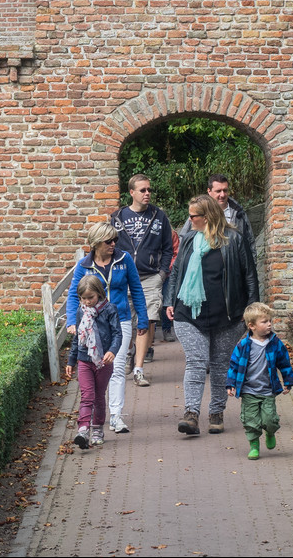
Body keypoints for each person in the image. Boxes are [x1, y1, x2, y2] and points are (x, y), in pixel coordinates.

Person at [164, 194, 259, 436]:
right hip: (189, 312)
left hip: (227, 315)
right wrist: (170, 300)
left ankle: (216, 412)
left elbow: (250, 274)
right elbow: (176, 273)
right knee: (196, 361)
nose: (189, 219)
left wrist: (251, 310)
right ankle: (191, 415)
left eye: (193, 216)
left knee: (219, 365)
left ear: (206, 218)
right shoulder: (188, 240)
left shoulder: (234, 239)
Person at [66, 221, 149, 434]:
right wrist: (71, 322)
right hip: (91, 322)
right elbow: (74, 296)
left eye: (115, 240)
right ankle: (95, 415)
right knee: (95, 368)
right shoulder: (83, 266)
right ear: (95, 243)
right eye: (108, 241)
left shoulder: (124, 259)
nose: (113, 244)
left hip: (119, 319)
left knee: (117, 366)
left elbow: (137, 289)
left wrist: (143, 319)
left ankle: (116, 416)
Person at [109, 174, 174, 387]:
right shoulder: (117, 217)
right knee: (122, 320)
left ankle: (138, 369)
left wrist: (162, 273)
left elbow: (168, 248)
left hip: (150, 277)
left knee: (147, 320)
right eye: (143, 190)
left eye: (149, 190)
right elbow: (108, 247)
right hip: (123, 277)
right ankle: (128, 352)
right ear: (132, 193)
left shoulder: (159, 216)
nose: (147, 194)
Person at [226, 301, 293, 459]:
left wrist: (288, 381)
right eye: (264, 321)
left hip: (268, 390)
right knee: (251, 420)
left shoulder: (275, 344)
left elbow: (284, 363)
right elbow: (234, 366)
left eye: (270, 320)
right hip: (249, 390)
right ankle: (254, 445)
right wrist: (230, 384)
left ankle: (270, 432)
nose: (269, 324)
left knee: (269, 419)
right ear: (252, 326)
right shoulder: (243, 345)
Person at [178, 173, 260, 305]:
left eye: (225, 190)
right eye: (218, 191)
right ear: (209, 191)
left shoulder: (238, 213)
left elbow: (249, 241)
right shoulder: (197, 211)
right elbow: (184, 238)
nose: (222, 194)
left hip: (232, 271)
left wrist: (251, 267)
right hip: (205, 270)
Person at [65, 275, 121, 449]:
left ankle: (97, 428)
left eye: (91, 297)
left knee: (98, 396)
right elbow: (77, 340)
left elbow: (117, 333)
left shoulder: (110, 309)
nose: (88, 302)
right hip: (84, 359)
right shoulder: (81, 311)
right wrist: (71, 361)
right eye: (84, 298)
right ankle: (83, 429)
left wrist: (112, 351)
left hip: (103, 361)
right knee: (87, 395)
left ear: (99, 294)